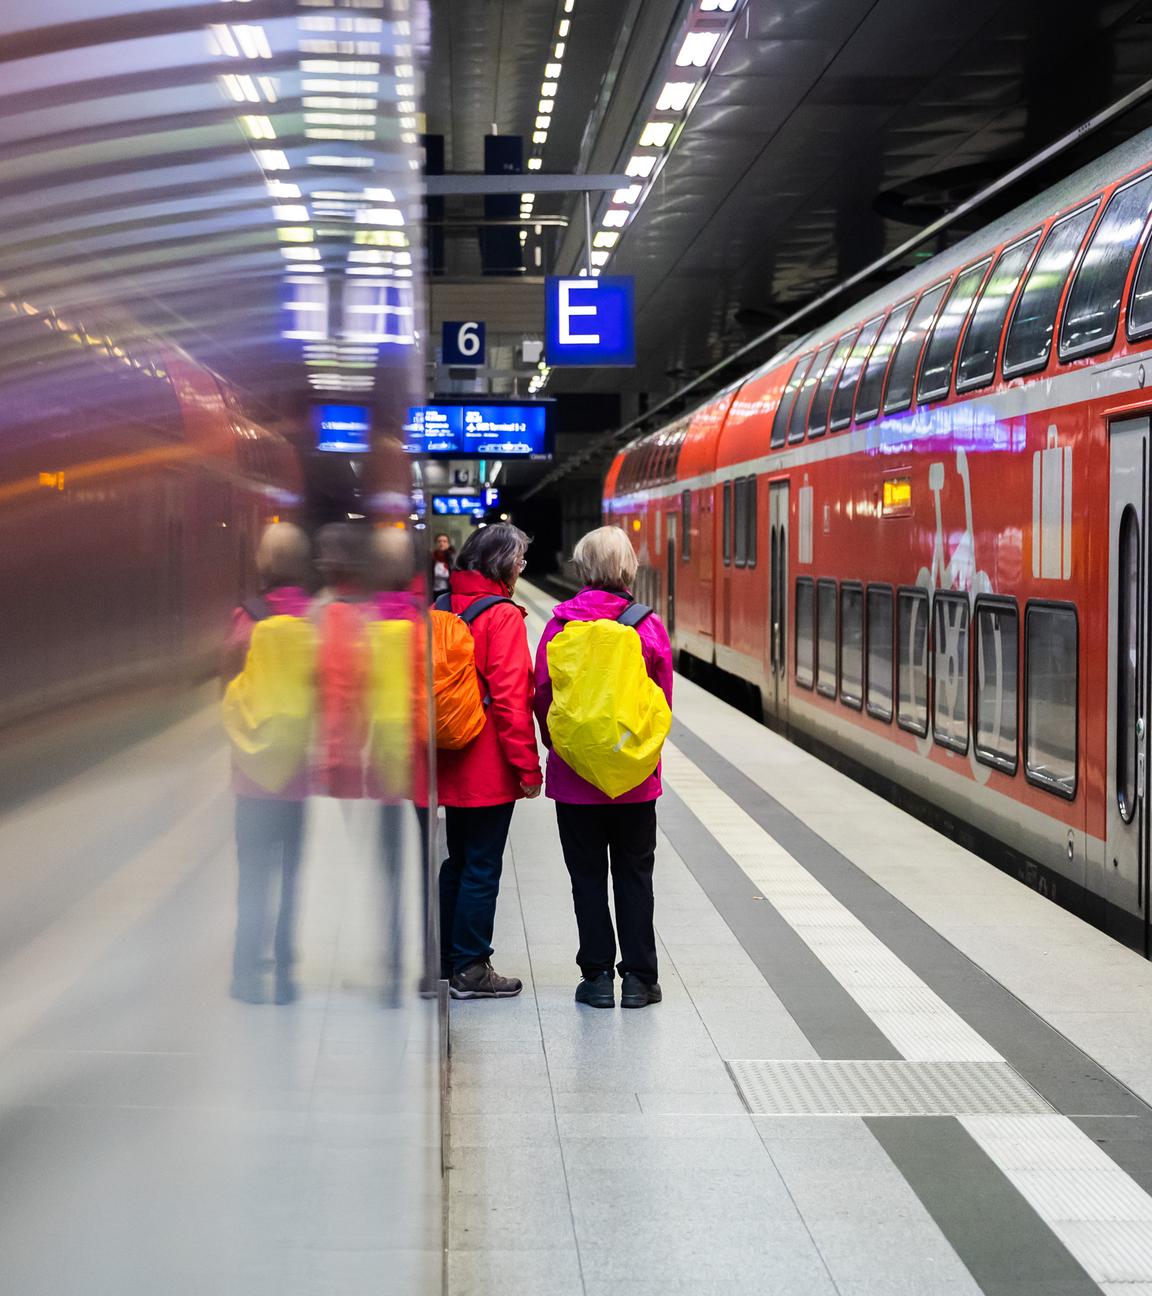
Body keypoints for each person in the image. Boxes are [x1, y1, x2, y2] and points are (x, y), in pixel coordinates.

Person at [533, 526, 673, 1010]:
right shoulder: (648, 626)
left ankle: (596, 979)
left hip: (574, 784)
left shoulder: (559, 626)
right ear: (628, 568)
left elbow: (544, 698)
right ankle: (638, 980)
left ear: (582, 568)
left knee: (587, 878)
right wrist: (640, 756)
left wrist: (564, 751)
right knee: (635, 876)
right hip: (634, 782)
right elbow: (662, 704)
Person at [436, 523, 542, 999]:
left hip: (442, 753)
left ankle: (446, 958)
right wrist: (527, 768)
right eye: (519, 561)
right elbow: (511, 701)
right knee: (482, 864)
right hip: (485, 763)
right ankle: (472, 968)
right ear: (501, 564)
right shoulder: (502, 617)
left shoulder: (439, 605)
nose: (521, 569)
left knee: (455, 862)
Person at [221, 522, 313, 1006]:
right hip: (296, 773)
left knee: (253, 872)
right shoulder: (312, 621)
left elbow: (229, 687)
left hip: (252, 774)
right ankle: (286, 972)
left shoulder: (246, 617)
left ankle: (244, 971)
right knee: (292, 873)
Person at [430, 532, 454, 603]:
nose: (442, 543)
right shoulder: (431, 558)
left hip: (448, 593)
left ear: (448, 544)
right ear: (435, 544)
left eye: (444, 541)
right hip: (433, 593)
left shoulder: (453, 559)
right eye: (439, 541)